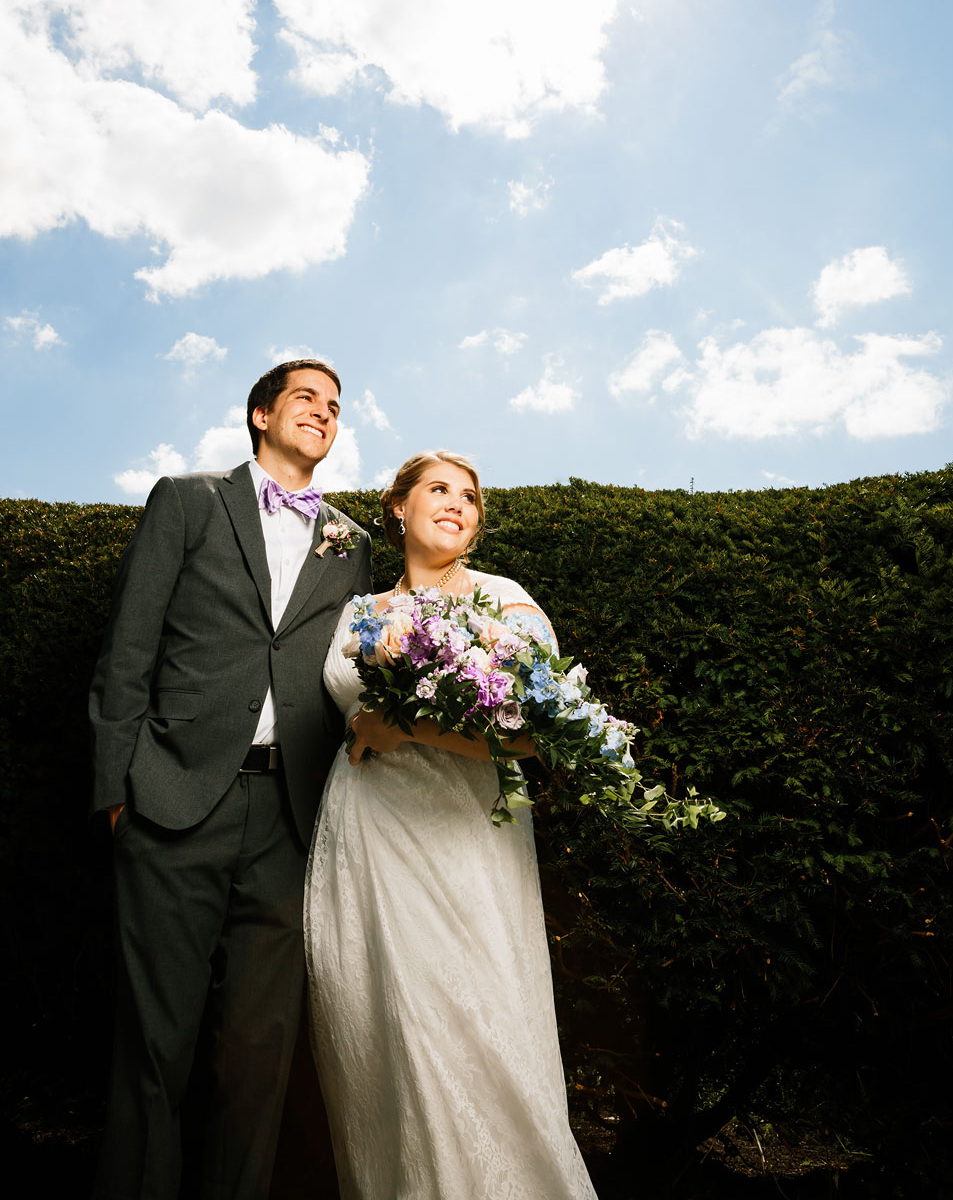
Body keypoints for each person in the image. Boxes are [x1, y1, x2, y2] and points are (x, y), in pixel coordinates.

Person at [89, 359, 372, 1200]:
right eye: (305, 400)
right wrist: (116, 791)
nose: (322, 414)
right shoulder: (189, 500)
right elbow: (128, 652)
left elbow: (340, 674)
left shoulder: (350, 544)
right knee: (157, 1040)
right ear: (260, 416)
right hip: (173, 803)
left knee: (259, 1054)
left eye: (334, 406)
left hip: (289, 818)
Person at [306, 451, 599, 1200]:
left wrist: (408, 731)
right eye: (439, 490)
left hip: (464, 834)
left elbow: (540, 732)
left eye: (469, 498)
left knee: (471, 1015)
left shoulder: (504, 601)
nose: (458, 505)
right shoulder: (357, 611)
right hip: (366, 834)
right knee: (380, 1026)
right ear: (397, 507)